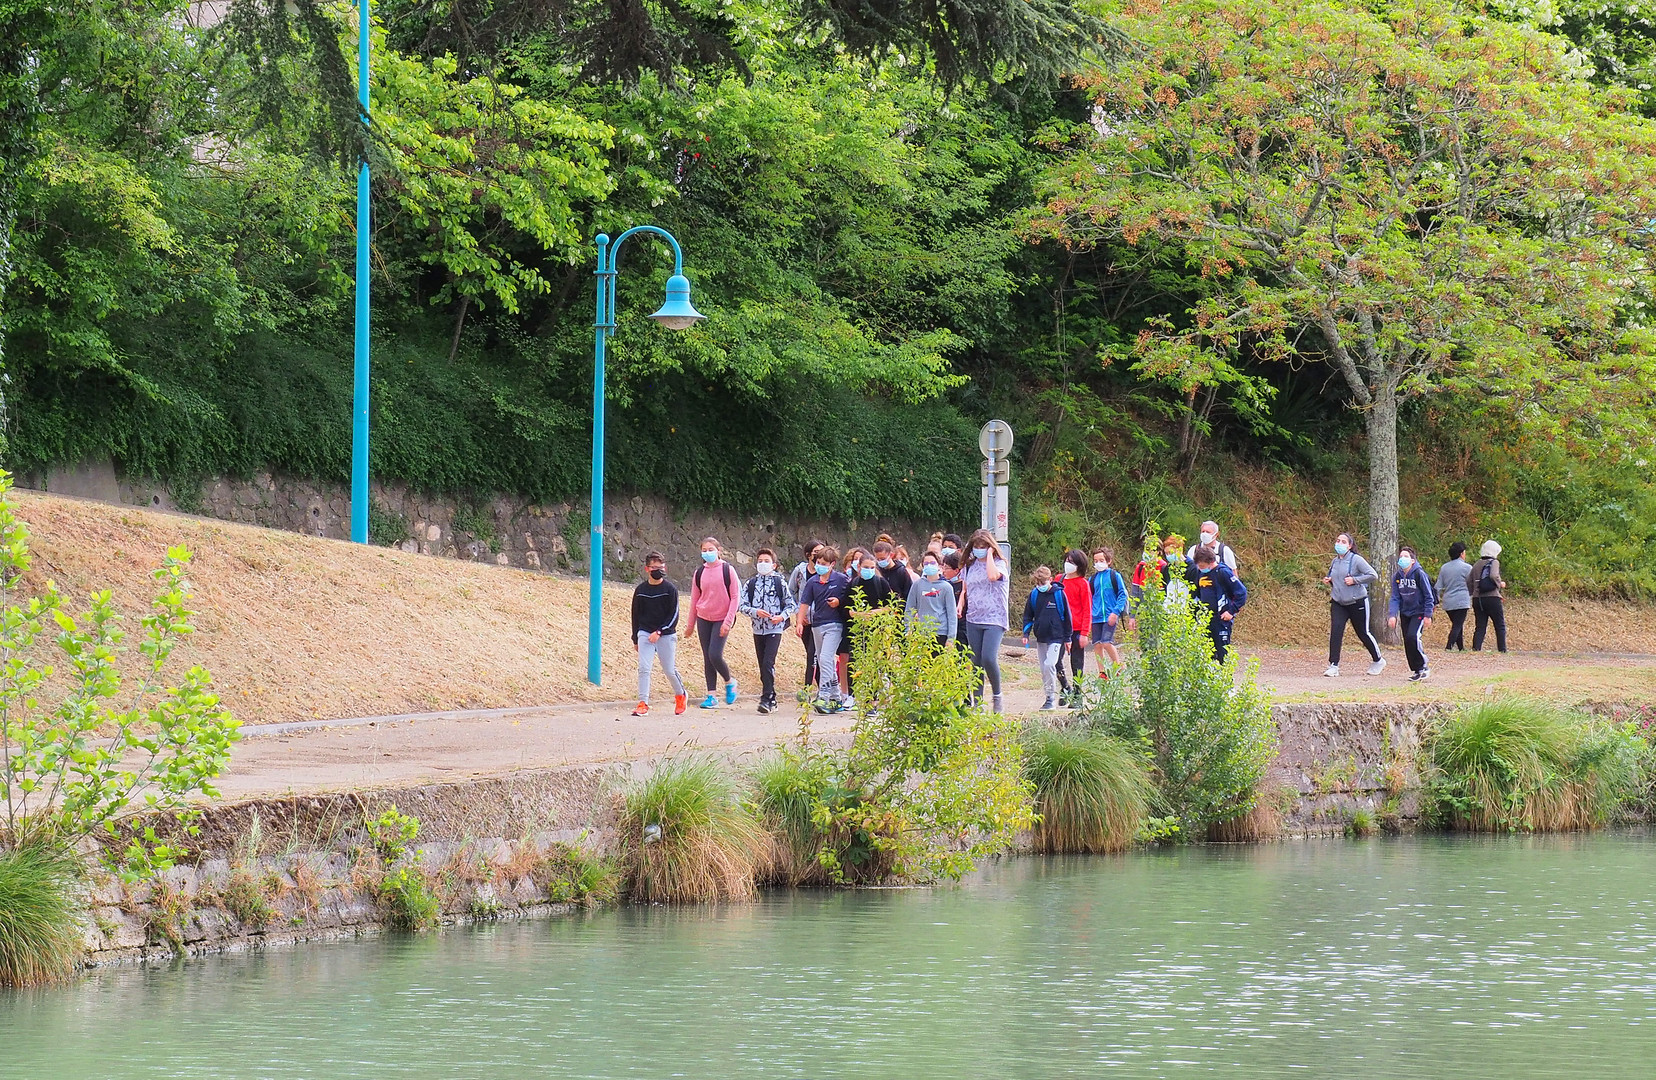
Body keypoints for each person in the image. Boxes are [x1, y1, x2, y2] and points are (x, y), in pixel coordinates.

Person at [956, 528, 1010, 712]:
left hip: (995, 617)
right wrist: (961, 603)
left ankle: (997, 696)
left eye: (983, 546)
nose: (979, 549)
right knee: (975, 660)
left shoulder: (999, 564)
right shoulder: (969, 566)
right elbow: (965, 586)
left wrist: (989, 556)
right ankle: (977, 702)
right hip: (974, 617)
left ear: (990, 547)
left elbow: (992, 576)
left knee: (988, 657)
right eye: (976, 546)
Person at [683, 536, 740, 708]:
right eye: (704, 550)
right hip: (703, 617)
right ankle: (712, 695)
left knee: (715, 654)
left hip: (722, 618)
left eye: (711, 550)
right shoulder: (699, 572)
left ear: (719, 550)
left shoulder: (727, 570)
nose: (707, 553)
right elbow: (694, 599)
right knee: (707, 657)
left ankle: (730, 682)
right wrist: (690, 625)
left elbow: (735, 597)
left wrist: (728, 621)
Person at [738, 547, 796, 714]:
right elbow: (742, 606)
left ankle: (766, 698)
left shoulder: (780, 582)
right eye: (760, 561)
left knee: (768, 662)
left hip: (774, 629)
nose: (763, 564)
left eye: (767, 561)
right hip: (757, 629)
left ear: (774, 565)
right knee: (762, 665)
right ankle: (771, 696)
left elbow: (791, 604)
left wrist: (781, 617)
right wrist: (755, 612)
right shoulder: (751, 583)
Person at [629, 552, 689, 717]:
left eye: (660, 567)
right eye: (654, 567)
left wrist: (660, 631)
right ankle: (643, 703)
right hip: (645, 633)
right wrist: (636, 638)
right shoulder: (640, 590)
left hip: (666, 635)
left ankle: (680, 694)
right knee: (644, 668)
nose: (657, 570)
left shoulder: (670, 589)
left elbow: (674, 616)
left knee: (669, 669)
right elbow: (635, 615)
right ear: (647, 569)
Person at [1322, 533, 1385, 677]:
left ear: (1350, 546)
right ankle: (1334, 665)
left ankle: (1378, 660)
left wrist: (1355, 580)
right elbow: (1337, 578)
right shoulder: (1334, 561)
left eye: (1343, 541)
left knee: (1363, 632)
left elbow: (1372, 575)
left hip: (1357, 601)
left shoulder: (1356, 560)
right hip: (1338, 602)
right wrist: (1329, 580)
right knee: (1336, 631)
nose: (1339, 543)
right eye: (1337, 540)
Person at [798, 545, 850, 713]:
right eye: (818, 562)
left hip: (834, 625)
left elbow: (850, 598)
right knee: (822, 659)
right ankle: (836, 696)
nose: (820, 565)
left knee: (827, 657)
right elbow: (804, 603)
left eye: (823, 563)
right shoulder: (813, 581)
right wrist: (799, 622)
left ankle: (824, 694)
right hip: (817, 625)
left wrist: (839, 602)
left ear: (832, 564)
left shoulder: (842, 580)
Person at [1021, 566, 1074, 711]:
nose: (1040, 586)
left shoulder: (1059, 595)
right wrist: (1026, 634)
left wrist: (1068, 638)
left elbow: (1067, 617)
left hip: (1056, 637)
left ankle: (1051, 698)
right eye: (1037, 583)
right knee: (1044, 668)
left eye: (1042, 582)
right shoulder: (1034, 595)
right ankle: (1048, 697)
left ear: (1050, 580)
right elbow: (1028, 616)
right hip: (1041, 637)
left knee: (1050, 664)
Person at [1185, 544, 1247, 663]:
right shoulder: (1200, 572)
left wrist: (1231, 611)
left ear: (1210, 562)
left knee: (1222, 653)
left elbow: (1241, 592)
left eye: (1202, 565)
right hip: (1205, 619)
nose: (1200, 568)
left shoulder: (1222, 572)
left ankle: (1225, 680)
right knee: (1207, 654)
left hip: (1220, 620)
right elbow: (1195, 593)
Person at [1387, 546, 1436, 681]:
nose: (1402, 559)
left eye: (1406, 557)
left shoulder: (1419, 574)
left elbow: (1428, 595)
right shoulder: (1397, 577)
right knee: (1407, 641)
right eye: (1401, 556)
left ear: (1413, 560)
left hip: (1418, 611)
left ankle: (1424, 666)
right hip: (1405, 612)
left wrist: (1428, 614)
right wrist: (1392, 615)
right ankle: (1416, 669)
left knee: (1413, 637)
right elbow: (1395, 597)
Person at [789, 540, 823, 697]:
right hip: (804, 620)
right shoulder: (800, 571)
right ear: (809, 554)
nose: (819, 554)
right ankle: (822, 688)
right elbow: (791, 592)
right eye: (816, 551)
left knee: (813, 654)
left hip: (820, 620)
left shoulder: (825, 570)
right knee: (813, 655)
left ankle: (807, 688)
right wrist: (798, 614)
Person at [906, 551, 958, 651]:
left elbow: (952, 614)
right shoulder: (917, 585)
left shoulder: (946, 587)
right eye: (926, 563)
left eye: (932, 563)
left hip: (940, 632)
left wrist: (951, 639)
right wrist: (908, 629)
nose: (929, 565)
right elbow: (910, 609)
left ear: (939, 565)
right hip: (922, 632)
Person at [1088, 547, 1128, 674]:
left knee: (1106, 642)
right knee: (1097, 644)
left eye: (1101, 560)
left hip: (1110, 615)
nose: (1098, 563)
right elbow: (1089, 597)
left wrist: (1116, 612)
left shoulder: (1114, 576)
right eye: (1095, 560)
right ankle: (1102, 672)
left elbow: (1122, 595)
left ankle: (1118, 667)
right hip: (1096, 616)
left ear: (1108, 561)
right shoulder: (1092, 579)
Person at [1058, 549, 1092, 699]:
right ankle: (1065, 687)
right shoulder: (1059, 579)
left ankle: (1078, 694)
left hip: (1077, 629)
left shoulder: (1083, 584)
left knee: (1077, 663)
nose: (1068, 564)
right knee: (1055, 660)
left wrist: (1085, 633)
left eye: (1071, 562)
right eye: (1067, 560)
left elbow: (1087, 609)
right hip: (1058, 628)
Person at [1467, 540, 1508, 653]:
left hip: (1477, 599)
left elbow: (1468, 581)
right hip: (1492, 597)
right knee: (1499, 625)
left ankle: (1476, 649)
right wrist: (1500, 584)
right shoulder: (1494, 562)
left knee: (1480, 626)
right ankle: (1502, 649)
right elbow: (1494, 575)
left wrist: (1473, 592)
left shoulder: (1476, 564)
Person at [1435, 542, 1473, 651]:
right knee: (1457, 625)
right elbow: (1472, 584)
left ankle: (1461, 648)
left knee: (1457, 624)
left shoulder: (1444, 568)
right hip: (1462, 600)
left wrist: (1435, 599)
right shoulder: (1467, 568)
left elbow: (1438, 586)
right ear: (1461, 554)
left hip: (1448, 601)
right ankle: (1449, 646)